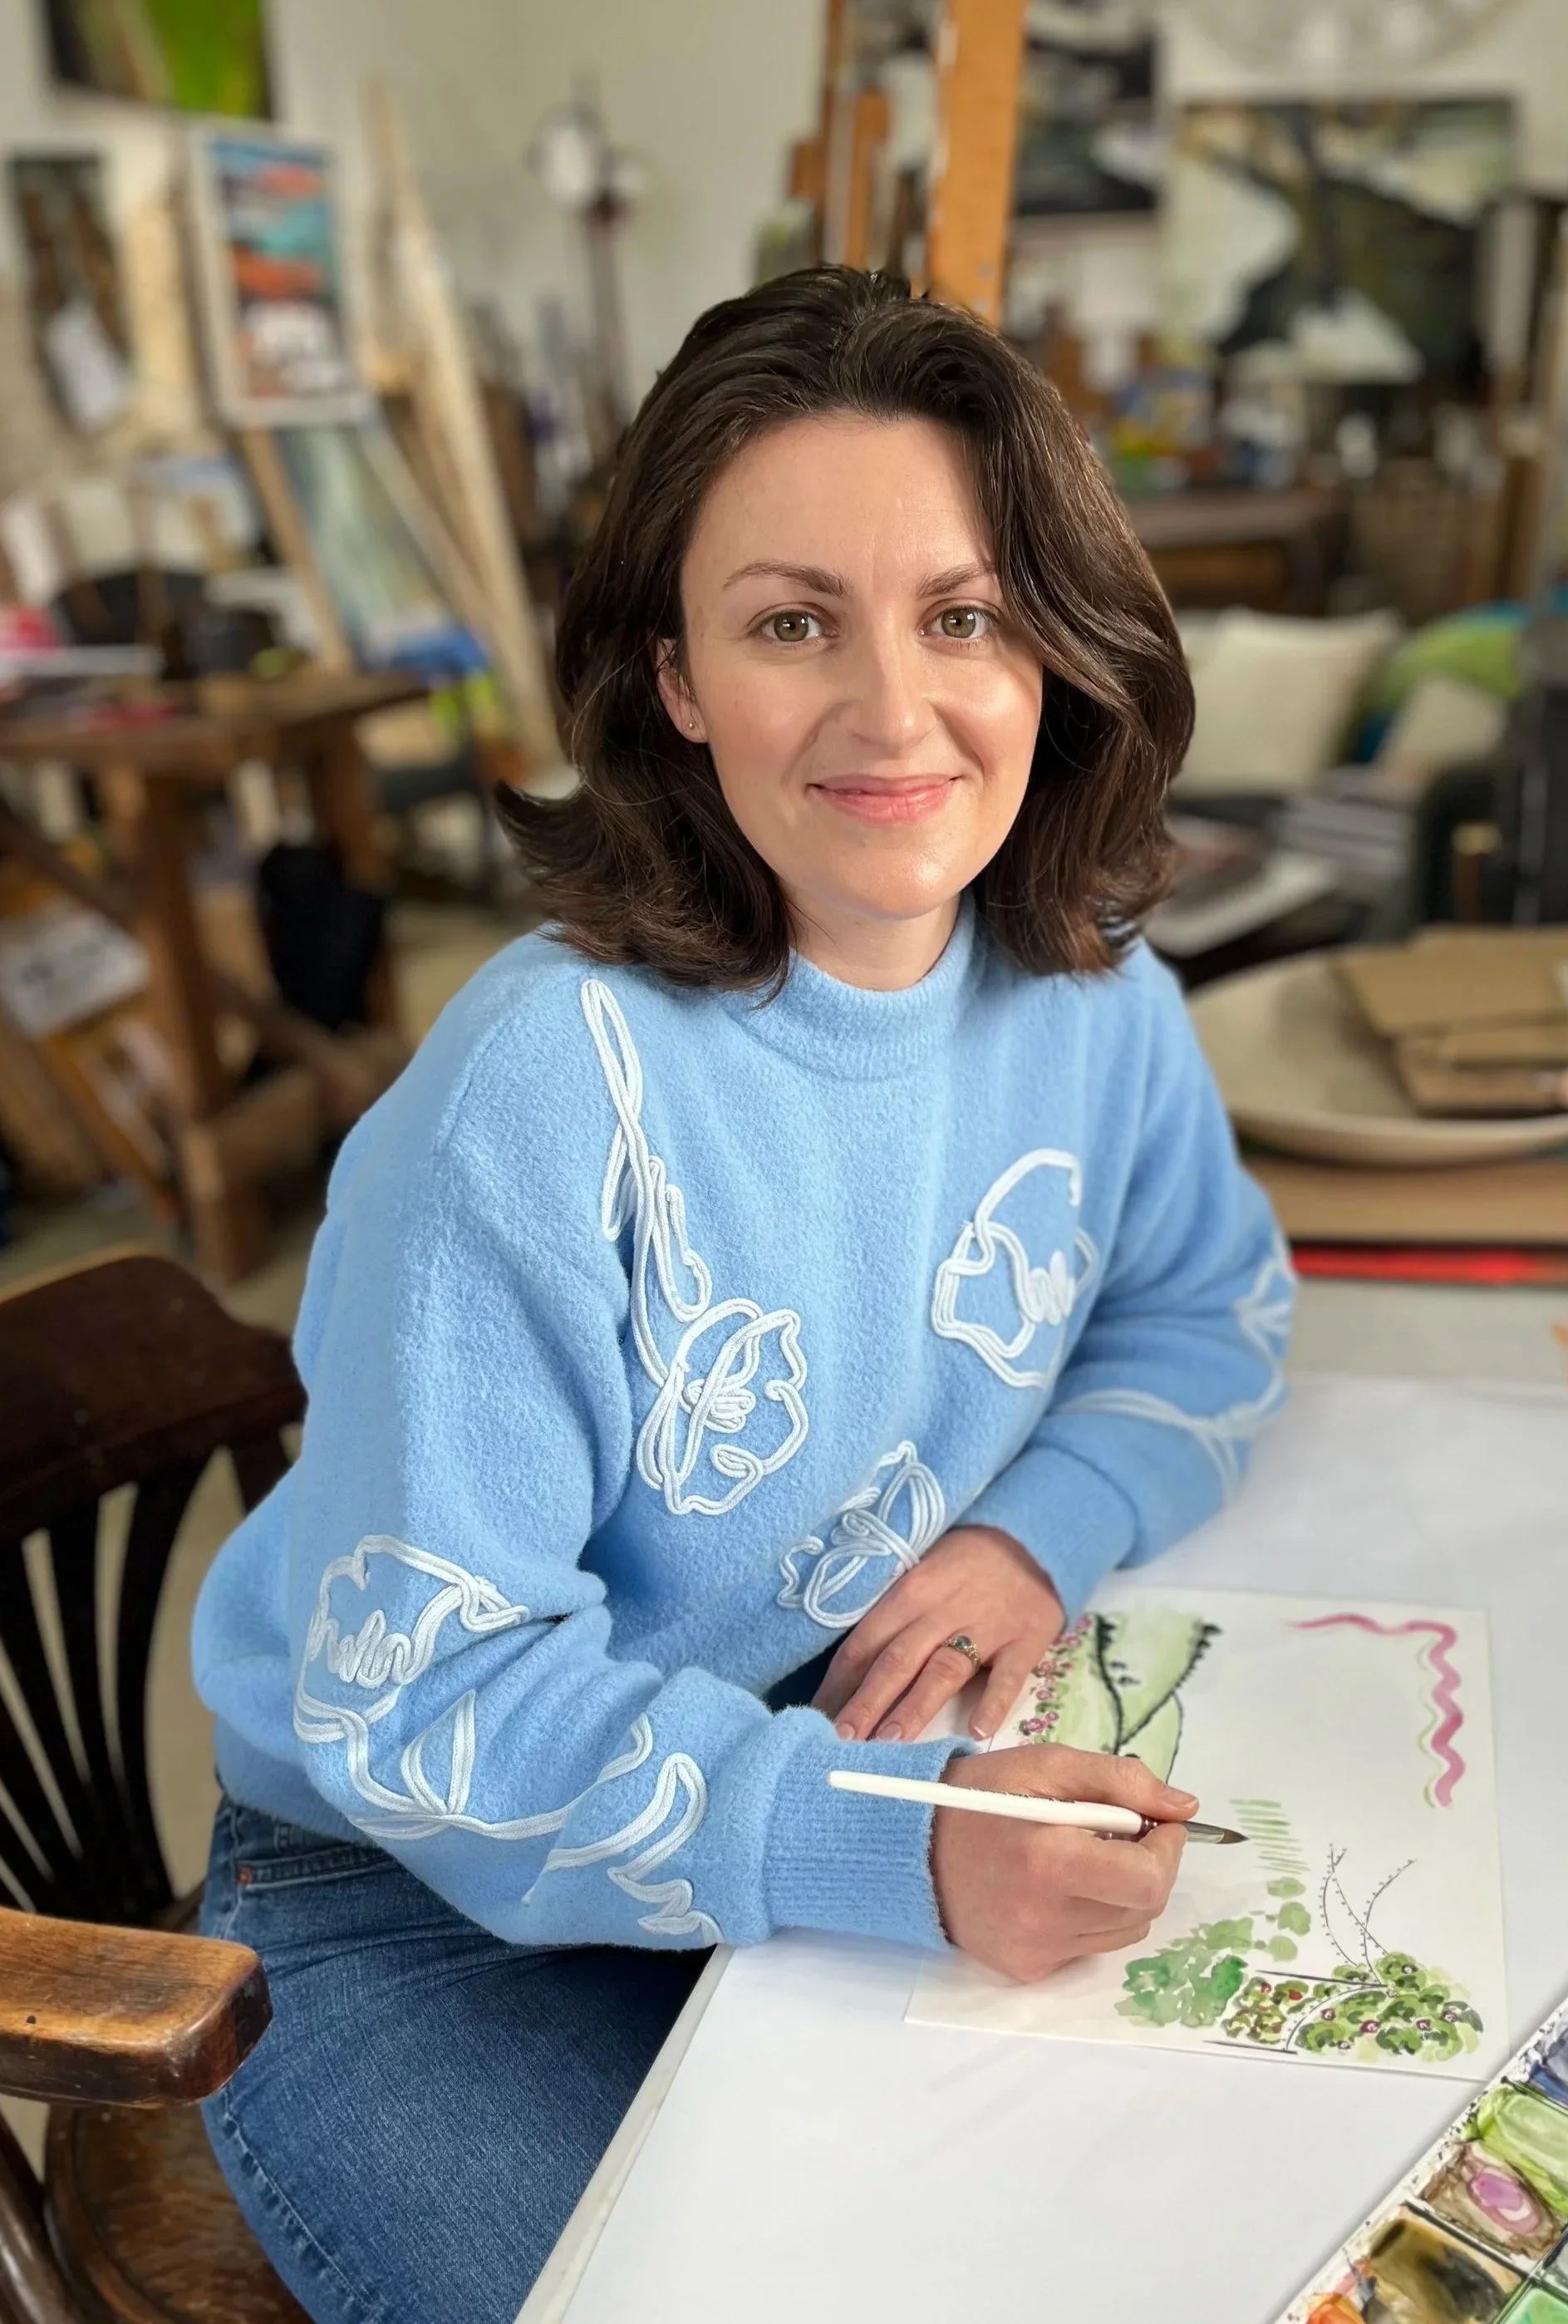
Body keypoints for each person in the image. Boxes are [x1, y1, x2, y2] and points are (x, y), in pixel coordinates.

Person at [190, 265, 1291, 2324]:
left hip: (802, 1756)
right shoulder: (540, 1094)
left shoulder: (1089, 984)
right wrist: (897, 1841)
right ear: (676, 677)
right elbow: (424, 1703)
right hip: (418, 1888)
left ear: (1053, 643)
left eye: (961, 615)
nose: (896, 714)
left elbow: (1204, 1313)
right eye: (795, 624)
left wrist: (1022, 1532)